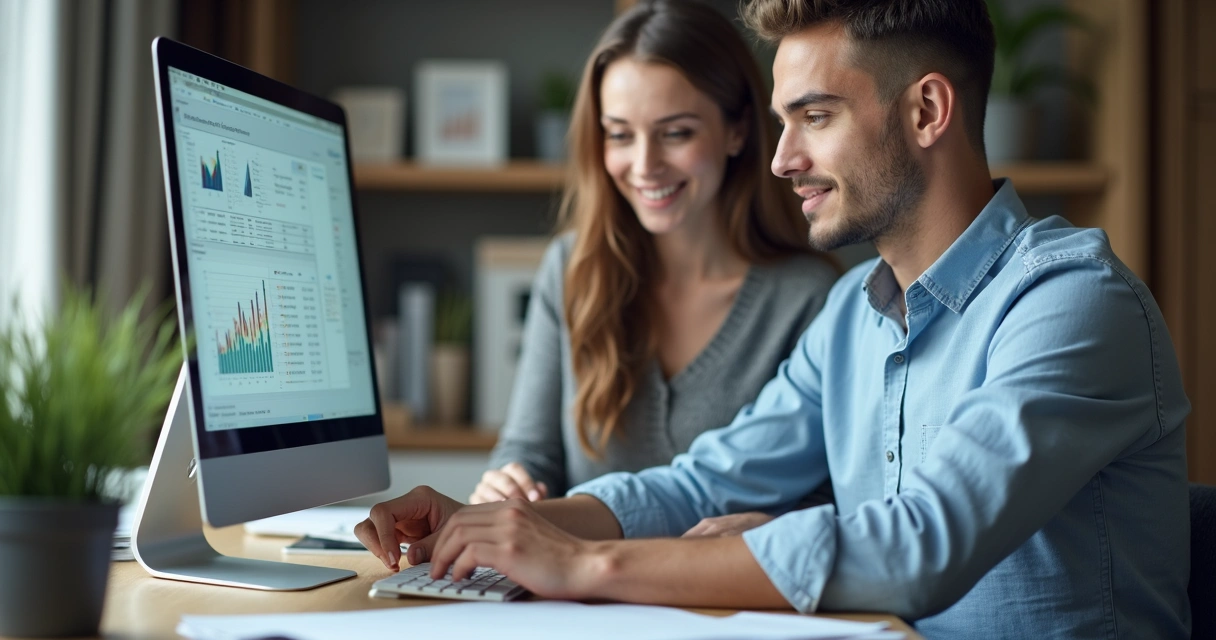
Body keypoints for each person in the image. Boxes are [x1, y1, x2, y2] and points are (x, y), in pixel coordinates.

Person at [356, 0, 1191, 637]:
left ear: (927, 112)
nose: (784, 159)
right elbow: (698, 485)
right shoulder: (848, 317)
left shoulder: (1071, 303)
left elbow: (919, 549)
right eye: (784, 121)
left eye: (816, 117)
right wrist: (496, 526)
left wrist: (584, 562)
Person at [468, 0, 837, 529]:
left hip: (724, 606)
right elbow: (530, 452)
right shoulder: (572, 269)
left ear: (737, 131)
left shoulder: (809, 297)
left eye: (676, 133)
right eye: (619, 134)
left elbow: (827, 500)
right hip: (572, 599)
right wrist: (510, 481)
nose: (644, 166)